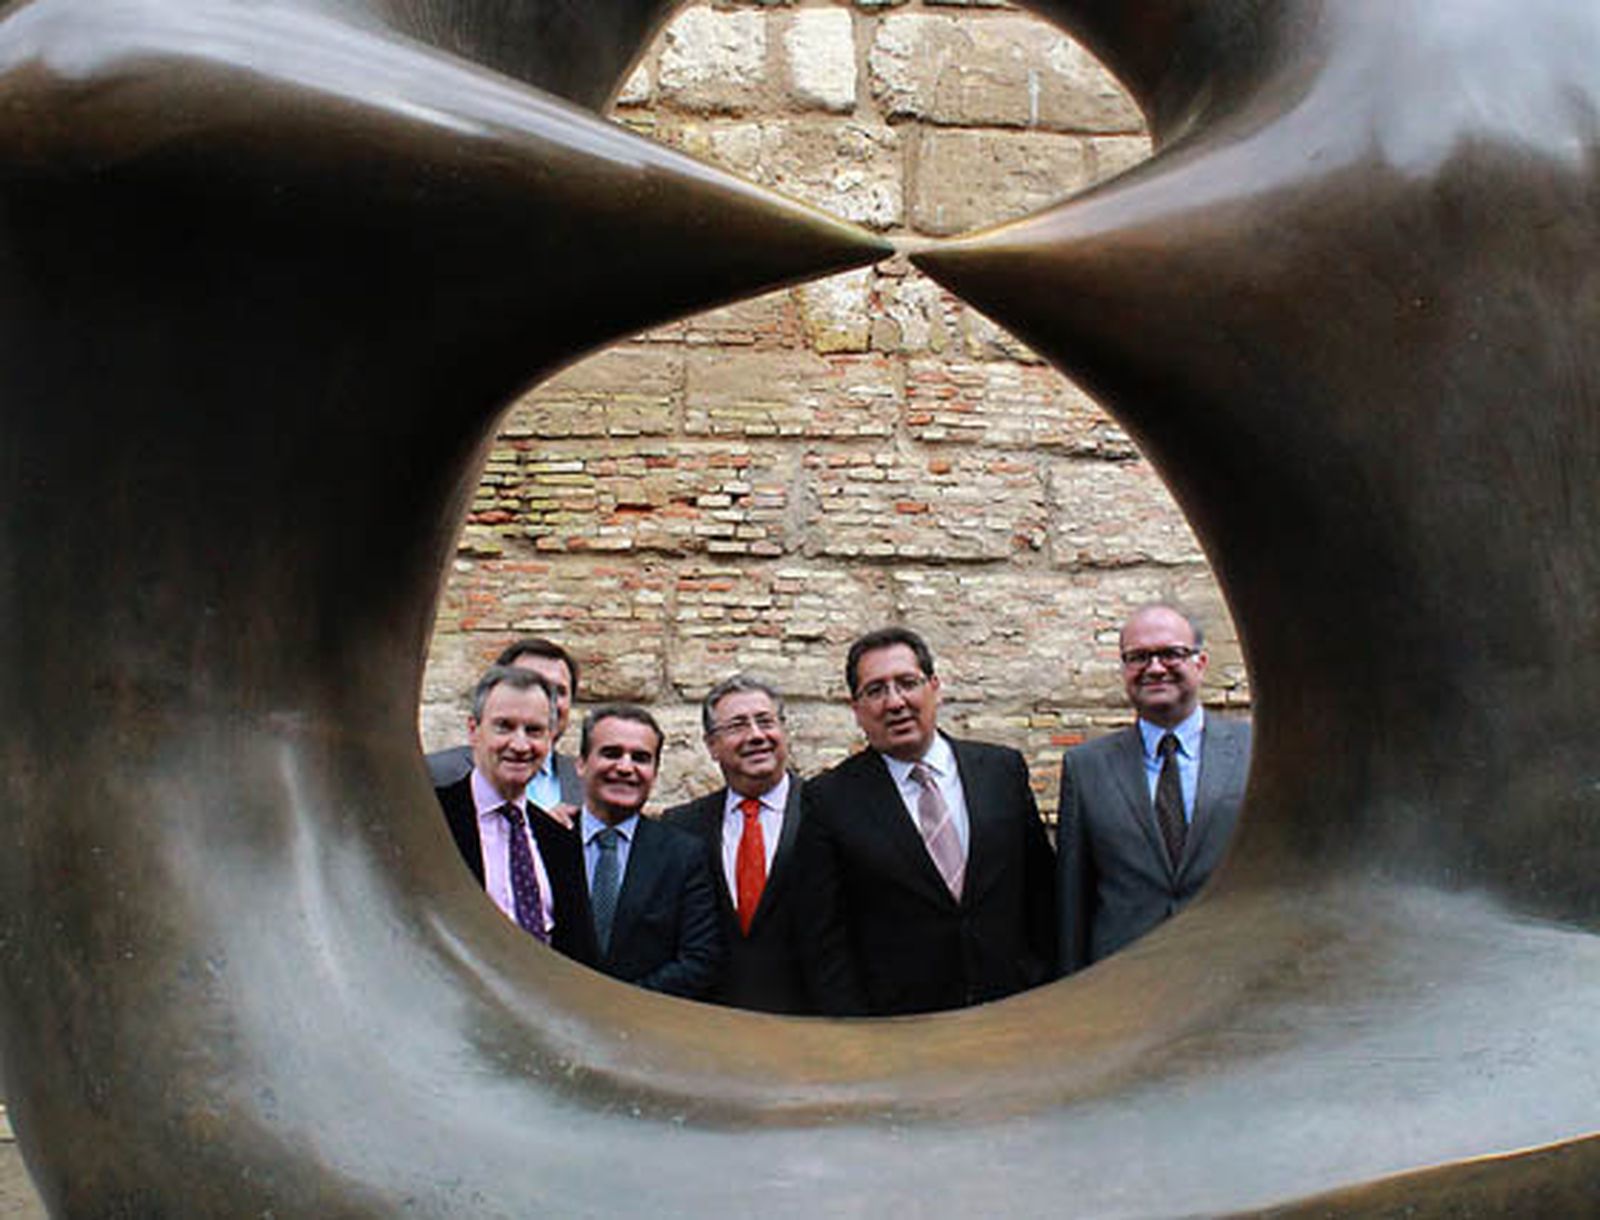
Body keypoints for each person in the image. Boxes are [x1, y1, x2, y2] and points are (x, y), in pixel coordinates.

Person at [797, 627, 1057, 1016]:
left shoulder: (1001, 771)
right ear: (857, 708)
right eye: (875, 690)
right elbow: (824, 937)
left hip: (1015, 1012)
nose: (895, 702)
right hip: (902, 1028)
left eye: (907, 683)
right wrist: (856, 1031)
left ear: (934, 687)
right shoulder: (829, 800)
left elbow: (1042, 890)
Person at [1056, 603, 1253, 973]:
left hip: (1231, 972)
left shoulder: (1256, 752)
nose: (1155, 667)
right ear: (1124, 669)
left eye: (1171, 653)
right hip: (1123, 979)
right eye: (1139, 657)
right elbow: (1073, 898)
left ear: (1200, 663)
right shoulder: (1086, 768)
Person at [663, 675, 813, 1014]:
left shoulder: (825, 811)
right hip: (712, 1024)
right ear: (712, 746)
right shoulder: (683, 827)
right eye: (737, 726)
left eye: (765, 722)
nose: (756, 736)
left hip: (808, 1025)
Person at [433, 665, 592, 961]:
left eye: (534, 730)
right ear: (473, 731)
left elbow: (580, 954)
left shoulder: (559, 839)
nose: (520, 745)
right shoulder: (432, 820)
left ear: (550, 739)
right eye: (504, 726)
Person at [575, 704, 725, 1000]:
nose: (625, 767)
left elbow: (699, 959)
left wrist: (621, 1002)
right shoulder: (549, 840)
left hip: (646, 1018)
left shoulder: (683, 855)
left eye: (640, 758)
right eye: (611, 753)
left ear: (655, 773)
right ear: (581, 764)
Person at [427, 637, 583, 811]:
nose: (545, 699)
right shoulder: (436, 773)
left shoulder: (589, 781)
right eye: (525, 684)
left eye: (559, 691)